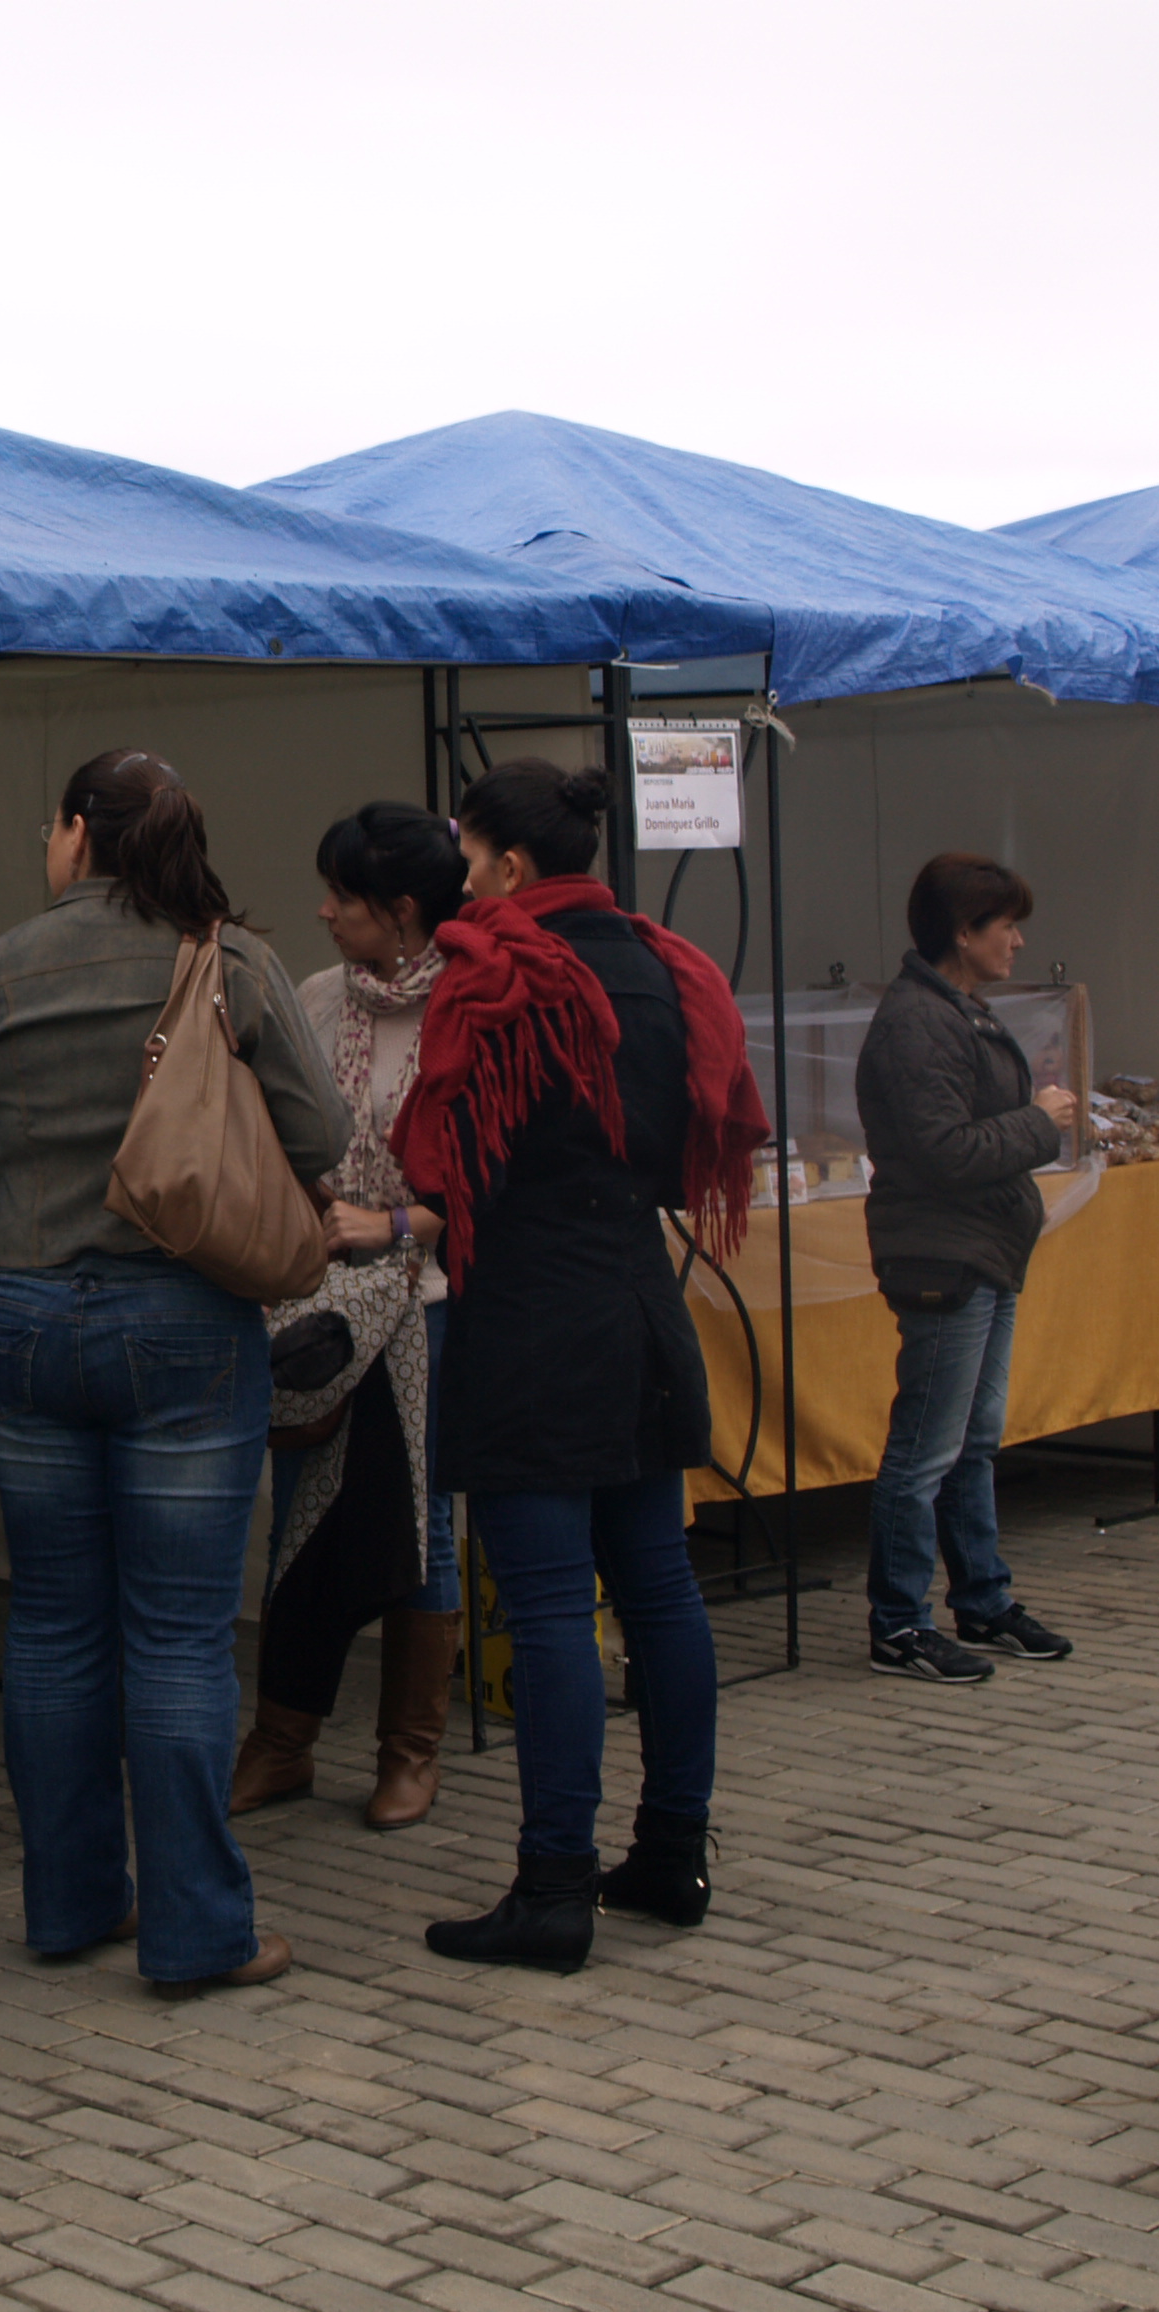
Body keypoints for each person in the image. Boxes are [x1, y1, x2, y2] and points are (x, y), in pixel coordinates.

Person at [0, 749, 344, 1994]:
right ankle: (199, 1932)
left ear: (78, 836)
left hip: (31, 1319)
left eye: (50, 826)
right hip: (182, 1325)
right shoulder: (232, 962)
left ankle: (68, 1906)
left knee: (51, 1626)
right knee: (177, 1638)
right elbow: (324, 1136)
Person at [400, 759, 766, 1968]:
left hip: (531, 1320)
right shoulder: (669, 964)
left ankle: (556, 1887)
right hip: (639, 1304)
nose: (459, 874)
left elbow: (437, 1159)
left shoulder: (499, 972)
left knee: (556, 1601)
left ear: (506, 863)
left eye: (467, 853)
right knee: (657, 1583)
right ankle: (671, 1854)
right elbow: (694, 1135)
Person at [231, 803, 465, 1830]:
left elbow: (491, 1182)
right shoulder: (320, 1001)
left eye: (344, 897)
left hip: (428, 1298)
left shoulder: (472, 1010)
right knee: (300, 1516)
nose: (323, 912)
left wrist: (397, 1223)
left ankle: (410, 1752)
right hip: (317, 1297)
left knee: (424, 1523)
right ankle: (282, 1741)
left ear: (404, 910)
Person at [854, 853, 1084, 1685]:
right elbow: (945, 1150)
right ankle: (899, 1622)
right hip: (942, 1257)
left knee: (972, 1441)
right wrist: (1038, 1123)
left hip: (985, 1252)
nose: (1019, 941)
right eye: (1004, 925)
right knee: (925, 1448)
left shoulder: (959, 1010)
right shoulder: (918, 1022)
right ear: (962, 932)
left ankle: (982, 1598)